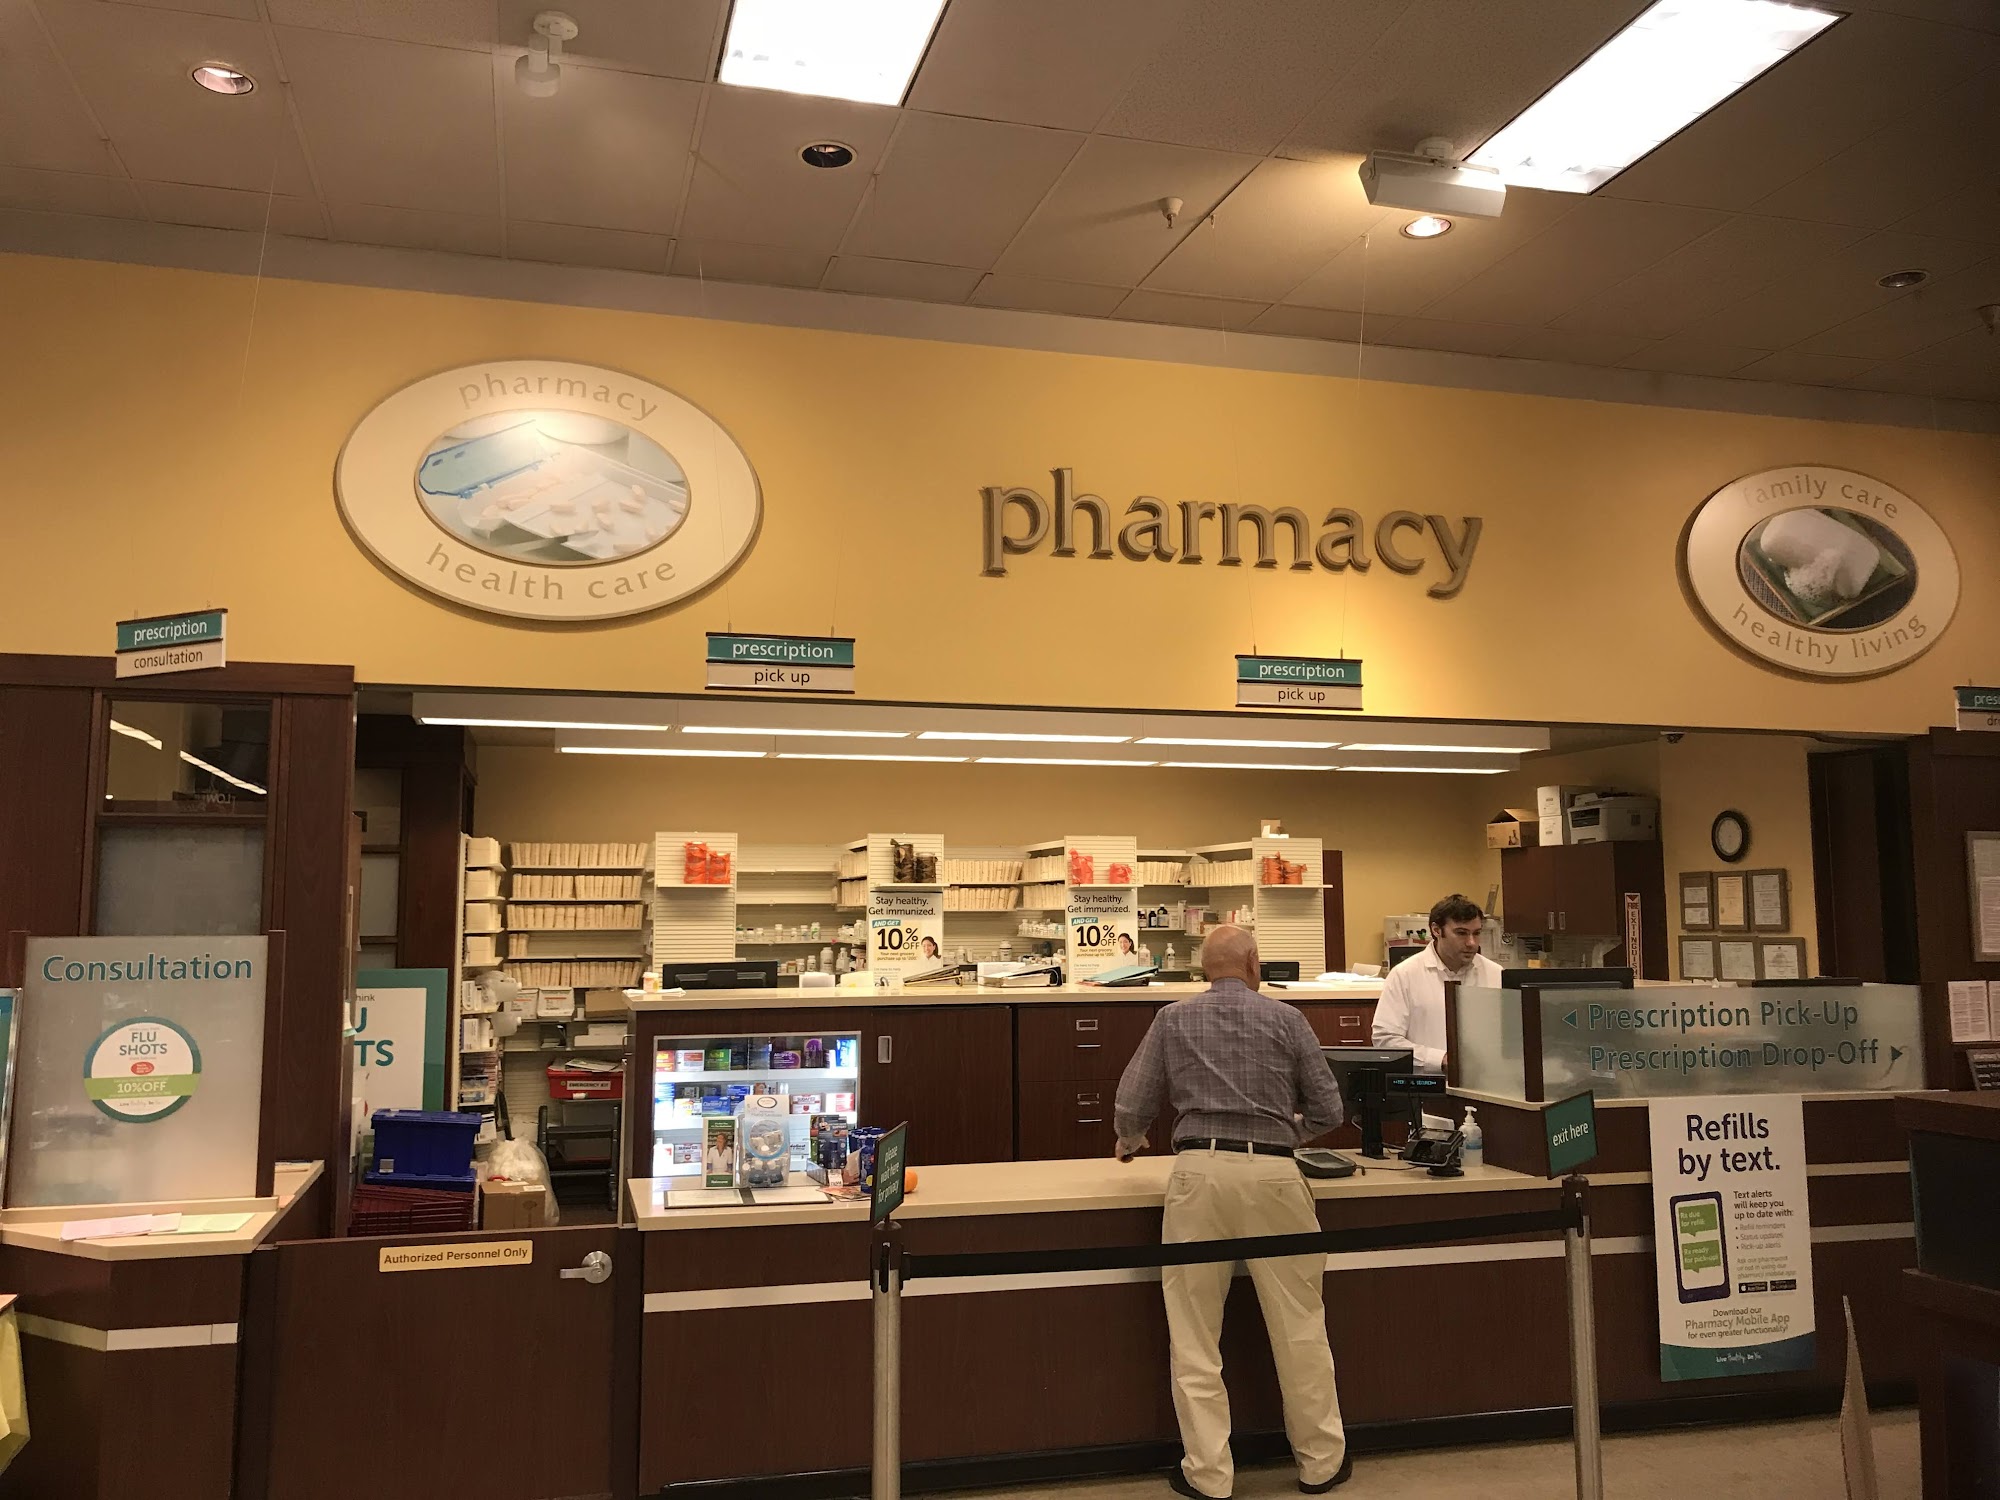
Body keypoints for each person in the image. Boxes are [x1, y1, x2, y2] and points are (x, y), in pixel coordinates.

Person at [1113, 925, 1351, 1497]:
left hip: (1199, 1175)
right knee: (1300, 1326)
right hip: (1275, 1176)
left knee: (1194, 1333)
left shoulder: (1172, 1019)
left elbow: (1131, 1102)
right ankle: (1320, 1463)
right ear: (1253, 962)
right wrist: (1288, 1130)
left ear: (1203, 969)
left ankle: (1209, 1474)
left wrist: (1131, 1139)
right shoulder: (1288, 1019)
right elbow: (1329, 1109)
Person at [1372, 893, 1504, 1073]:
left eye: (1476, 933)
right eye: (1461, 933)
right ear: (1436, 930)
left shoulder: (1496, 974)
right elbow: (1385, 1040)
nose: (1471, 943)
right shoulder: (1405, 975)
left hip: (1485, 1080)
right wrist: (1439, 1060)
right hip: (1427, 1082)